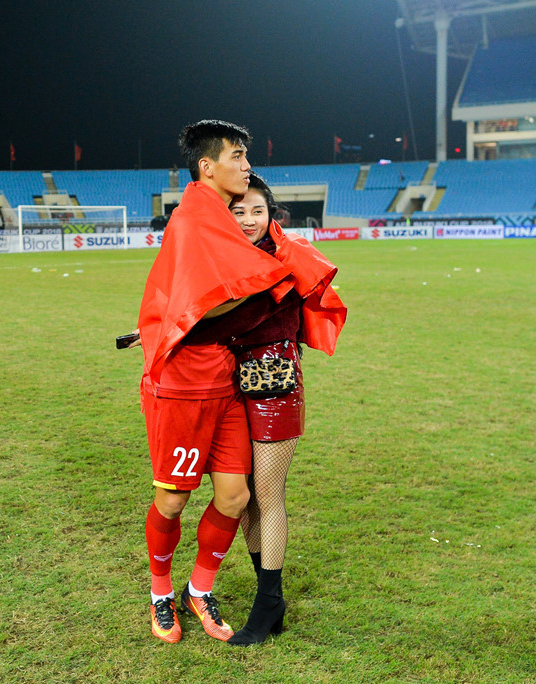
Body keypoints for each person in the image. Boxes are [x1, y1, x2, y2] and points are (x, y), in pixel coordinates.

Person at [136, 120, 294, 645]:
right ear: (208, 166)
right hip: (181, 386)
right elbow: (205, 303)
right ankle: (161, 594)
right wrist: (278, 279)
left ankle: (198, 590)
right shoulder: (192, 219)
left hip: (224, 382)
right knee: (174, 501)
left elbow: (194, 301)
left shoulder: (216, 216)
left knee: (233, 496)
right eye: (238, 155)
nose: (246, 164)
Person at [223, 173, 346, 645]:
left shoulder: (287, 258)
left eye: (258, 210)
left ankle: (270, 599)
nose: (250, 219)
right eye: (239, 211)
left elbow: (240, 316)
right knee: (245, 498)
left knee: (268, 495)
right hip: (231, 384)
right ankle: (267, 597)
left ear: (271, 214)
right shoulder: (223, 257)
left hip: (275, 382)